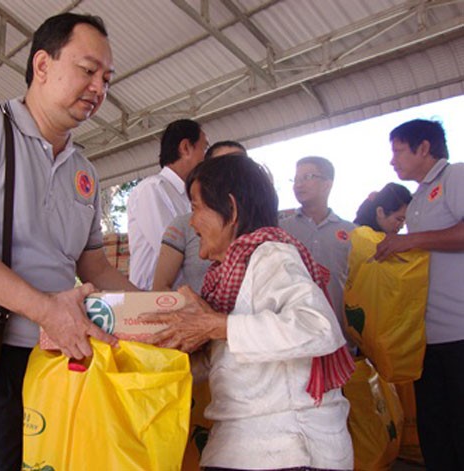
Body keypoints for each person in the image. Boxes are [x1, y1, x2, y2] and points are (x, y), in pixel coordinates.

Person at [0, 13, 136, 470]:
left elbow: (95, 266)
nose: (99, 88)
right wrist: (46, 309)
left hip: (51, 361)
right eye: (88, 70)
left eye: (107, 79)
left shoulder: (85, 173)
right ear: (42, 65)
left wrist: (160, 310)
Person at [143, 154, 354, 470]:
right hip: (242, 446)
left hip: (291, 448)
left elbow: (318, 327)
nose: (191, 222)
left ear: (231, 209)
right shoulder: (226, 275)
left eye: (196, 208)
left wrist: (214, 326)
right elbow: (228, 360)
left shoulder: (272, 255)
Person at [375, 119, 464, 470]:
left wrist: (408, 240)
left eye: (398, 150)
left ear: (424, 148)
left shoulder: (454, 177)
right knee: (434, 427)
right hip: (428, 334)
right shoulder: (416, 201)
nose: (393, 160)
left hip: (460, 331)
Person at [152, 140, 247, 292]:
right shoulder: (185, 225)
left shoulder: (264, 233)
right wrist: (196, 313)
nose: (232, 173)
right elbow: (160, 288)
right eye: (221, 166)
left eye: (240, 165)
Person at [127, 119, 208, 290]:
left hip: (180, 300)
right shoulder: (153, 189)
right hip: (151, 301)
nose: (206, 158)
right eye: (204, 148)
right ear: (186, 147)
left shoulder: (189, 197)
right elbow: (174, 249)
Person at [279, 156, 356, 335]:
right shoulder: (281, 229)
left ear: (327, 184)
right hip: (291, 332)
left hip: (338, 331)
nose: (298, 185)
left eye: (307, 177)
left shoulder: (351, 232)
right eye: (296, 179)